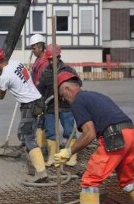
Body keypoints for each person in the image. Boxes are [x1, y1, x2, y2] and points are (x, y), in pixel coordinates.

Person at [54, 72, 134, 203]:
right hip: (130, 134)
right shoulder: (94, 95)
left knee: (90, 180)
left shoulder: (77, 101)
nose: (63, 99)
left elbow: (89, 133)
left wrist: (69, 152)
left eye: (62, 95)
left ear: (67, 89)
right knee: (129, 180)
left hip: (115, 138)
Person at [0, 46, 48, 182]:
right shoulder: (17, 64)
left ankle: (41, 172)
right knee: (24, 133)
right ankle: (32, 167)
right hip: (38, 100)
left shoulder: (5, 76)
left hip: (29, 105)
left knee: (28, 137)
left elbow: (0, 96)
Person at [37, 44, 81, 167]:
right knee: (50, 131)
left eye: (53, 58)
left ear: (59, 56)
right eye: (49, 59)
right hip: (50, 107)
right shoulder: (45, 72)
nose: (51, 61)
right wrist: (39, 104)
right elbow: (40, 90)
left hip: (66, 106)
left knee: (69, 130)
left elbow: (78, 84)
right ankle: (52, 156)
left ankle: (72, 156)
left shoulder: (68, 70)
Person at [29, 34, 49, 149]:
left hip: (43, 95)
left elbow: (42, 81)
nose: (32, 50)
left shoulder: (45, 61)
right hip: (36, 94)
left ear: (40, 47)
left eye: (34, 48)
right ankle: (41, 144)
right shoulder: (38, 60)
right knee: (39, 120)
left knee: (42, 120)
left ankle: (41, 146)